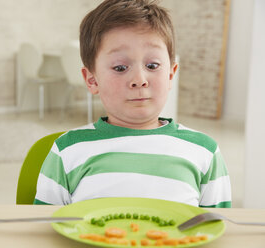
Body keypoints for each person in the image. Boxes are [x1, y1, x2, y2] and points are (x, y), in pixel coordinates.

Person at [33, 0, 231, 208]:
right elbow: (44, 227)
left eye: (152, 65)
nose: (140, 79)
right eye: (120, 67)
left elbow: (216, 228)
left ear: (171, 74)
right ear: (92, 80)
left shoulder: (204, 152)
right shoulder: (68, 150)